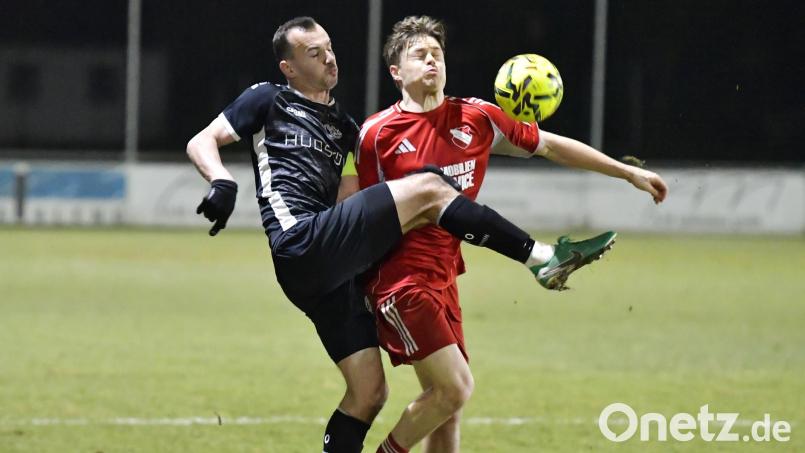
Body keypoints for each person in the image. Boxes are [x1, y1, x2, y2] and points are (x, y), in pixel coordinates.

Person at [186, 16, 622, 453]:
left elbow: (351, 202)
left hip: (330, 269)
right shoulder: (269, 99)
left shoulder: (346, 128)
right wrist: (221, 181)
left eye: (330, 46)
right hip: (300, 240)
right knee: (431, 186)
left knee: (369, 394)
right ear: (289, 67)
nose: (329, 57)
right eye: (313, 53)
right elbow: (202, 141)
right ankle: (542, 258)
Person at [356, 16, 668, 453]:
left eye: (438, 54)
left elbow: (552, 144)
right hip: (401, 280)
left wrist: (626, 171)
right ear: (396, 72)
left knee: (447, 409)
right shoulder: (376, 135)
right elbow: (359, 215)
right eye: (419, 55)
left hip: (445, 279)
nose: (432, 61)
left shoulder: (477, 118)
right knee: (455, 389)